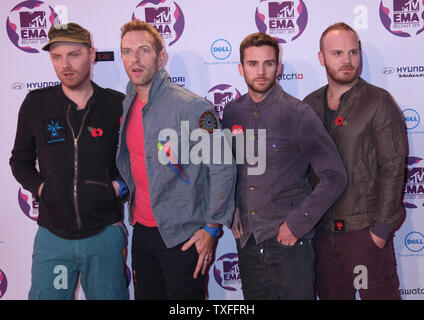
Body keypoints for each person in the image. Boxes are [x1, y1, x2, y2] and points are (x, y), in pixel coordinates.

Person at [116, 19, 237, 300]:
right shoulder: (128, 102)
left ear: (161, 56)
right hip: (143, 232)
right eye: (126, 51)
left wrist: (210, 227)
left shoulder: (194, 106)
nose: (134, 59)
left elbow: (223, 167)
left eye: (143, 50)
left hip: (184, 235)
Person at [222, 32, 348, 300]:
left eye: (268, 63)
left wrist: (297, 223)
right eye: (253, 64)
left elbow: (334, 176)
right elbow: (228, 168)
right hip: (247, 243)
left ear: (279, 67)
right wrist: (230, 208)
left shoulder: (299, 114)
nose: (261, 71)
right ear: (240, 68)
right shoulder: (231, 113)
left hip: (289, 244)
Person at [9, 23, 128, 300]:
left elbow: (136, 162)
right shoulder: (36, 104)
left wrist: (118, 189)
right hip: (53, 236)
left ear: (92, 54)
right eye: (57, 57)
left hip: (105, 235)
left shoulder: (116, 104)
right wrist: (41, 189)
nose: (65, 64)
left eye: (74, 54)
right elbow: (20, 161)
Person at [303, 22, 407, 300]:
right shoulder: (309, 105)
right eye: (337, 53)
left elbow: (394, 168)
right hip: (323, 235)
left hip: (365, 234)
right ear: (321, 58)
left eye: (353, 52)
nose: (347, 61)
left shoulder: (378, 101)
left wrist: (381, 229)